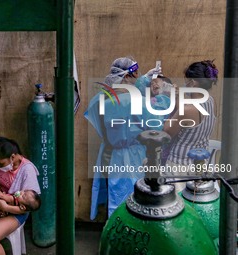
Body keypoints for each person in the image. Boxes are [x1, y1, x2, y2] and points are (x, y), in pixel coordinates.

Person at [85, 56, 166, 219]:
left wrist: (144, 80)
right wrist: (161, 97)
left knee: (114, 198)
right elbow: (157, 124)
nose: (140, 76)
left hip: (110, 154)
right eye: (137, 73)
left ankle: (114, 234)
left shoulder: (104, 96)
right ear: (128, 76)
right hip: (132, 157)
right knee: (131, 202)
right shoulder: (137, 101)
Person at [163, 60, 218, 191]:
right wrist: (177, 97)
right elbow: (186, 117)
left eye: (186, 81)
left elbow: (166, 132)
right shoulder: (211, 101)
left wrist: (170, 101)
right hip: (199, 165)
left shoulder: (188, 110)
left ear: (192, 83)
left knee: (179, 207)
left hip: (179, 168)